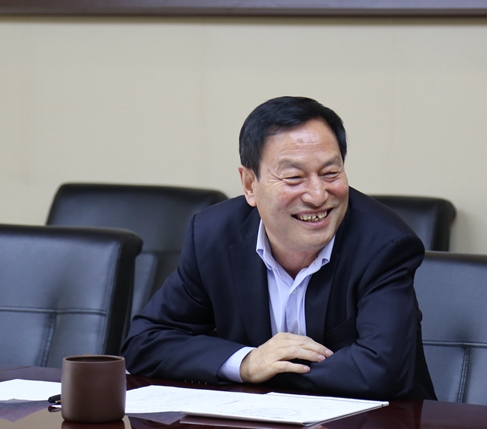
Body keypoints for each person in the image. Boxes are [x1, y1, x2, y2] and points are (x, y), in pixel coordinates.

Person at [121, 96, 436, 400]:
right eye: (294, 177)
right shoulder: (214, 236)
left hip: (376, 425)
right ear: (250, 184)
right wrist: (247, 363)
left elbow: (381, 369)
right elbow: (146, 342)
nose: (317, 195)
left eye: (330, 173)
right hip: (255, 424)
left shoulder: (384, 245)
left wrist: (269, 369)